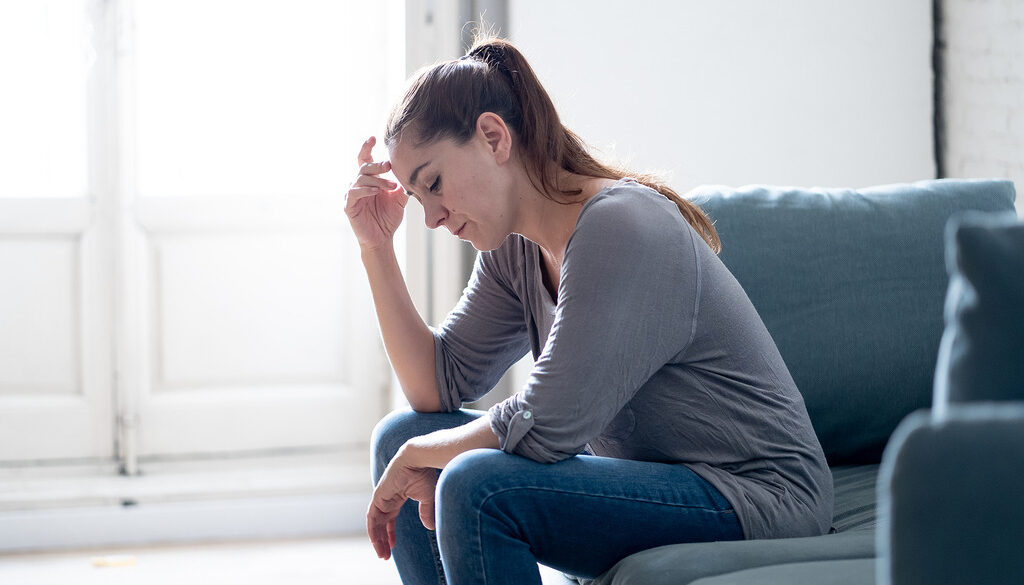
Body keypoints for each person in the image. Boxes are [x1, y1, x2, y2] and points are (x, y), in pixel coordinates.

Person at [345, 33, 833, 585]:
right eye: (416, 199)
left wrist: (425, 453)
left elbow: (547, 423)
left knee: (475, 484)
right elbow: (437, 385)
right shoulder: (514, 251)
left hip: (758, 494)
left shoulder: (619, 225)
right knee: (399, 436)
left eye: (433, 183)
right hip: (656, 478)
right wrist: (375, 247)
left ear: (492, 136)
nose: (431, 217)